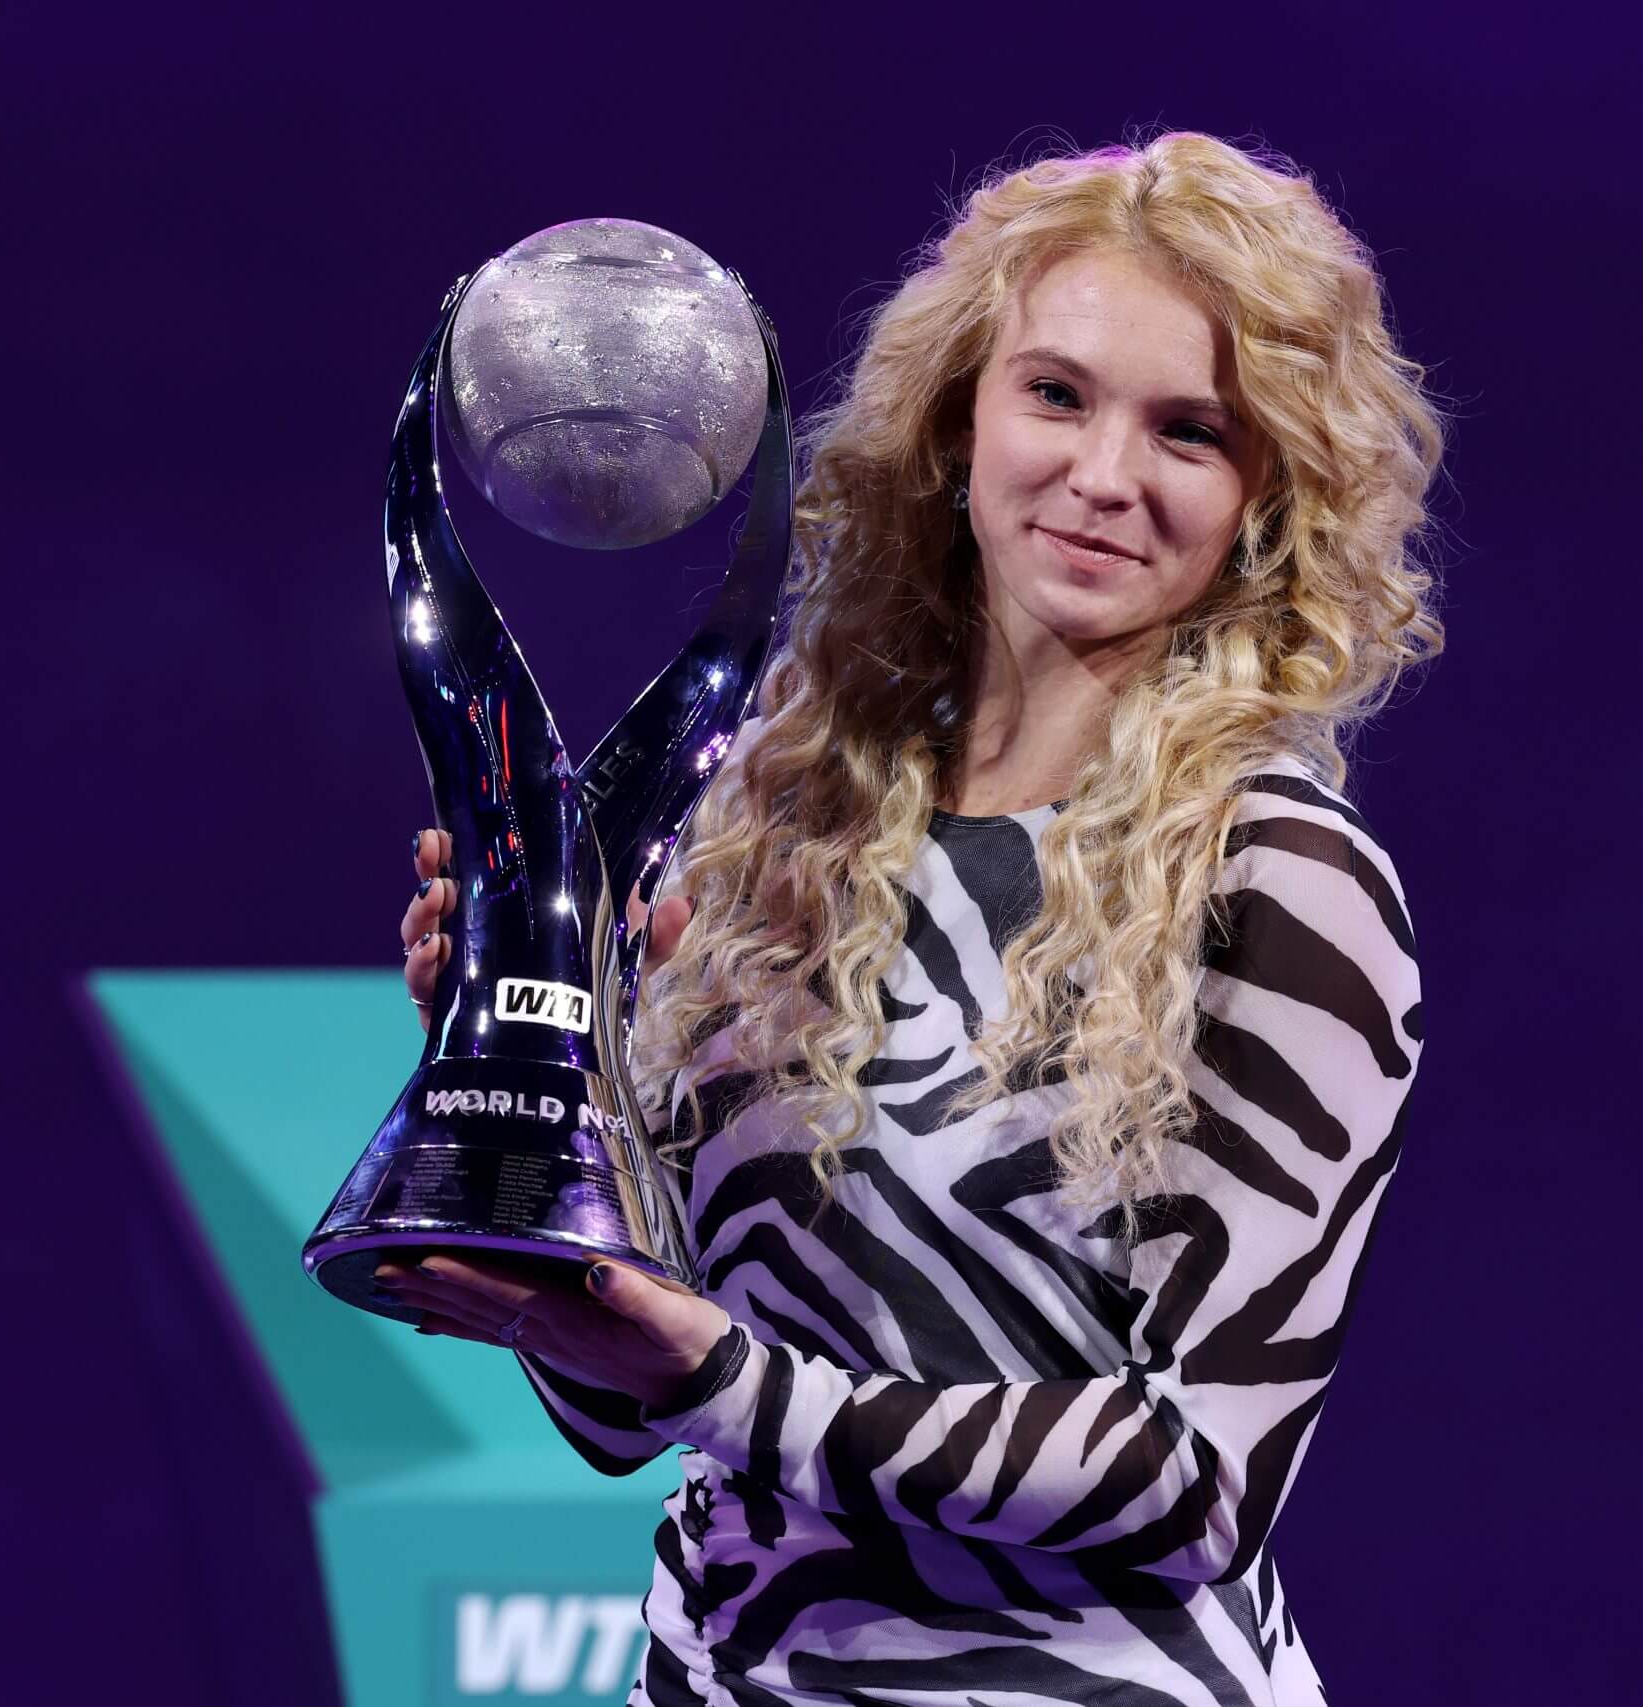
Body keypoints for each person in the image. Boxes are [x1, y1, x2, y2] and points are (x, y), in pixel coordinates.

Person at [376, 129, 1445, 1707]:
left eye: (1192, 432)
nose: (1103, 476)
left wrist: (733, 1388)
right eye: (1058, 395)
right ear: (957, 423)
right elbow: (620, 1413)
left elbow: (1198, 1483)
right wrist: (553, 1068)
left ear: (1264, 500)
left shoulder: (1285, 881)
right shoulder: (780, 812)